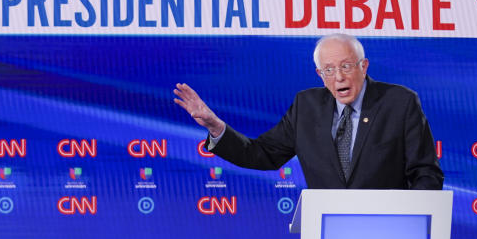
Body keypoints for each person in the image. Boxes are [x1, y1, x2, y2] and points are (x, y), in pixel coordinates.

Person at [172, 33, 443, 190]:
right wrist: (216, 127)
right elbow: (261, 154)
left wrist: (411, 218)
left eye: (346, 66)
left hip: (392, 234)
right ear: (319, 74)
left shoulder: (400, 102)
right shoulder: (306, 106)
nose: (338, 77)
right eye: (329, 70)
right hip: (328, 232)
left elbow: (426, 173)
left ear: (364, 66)